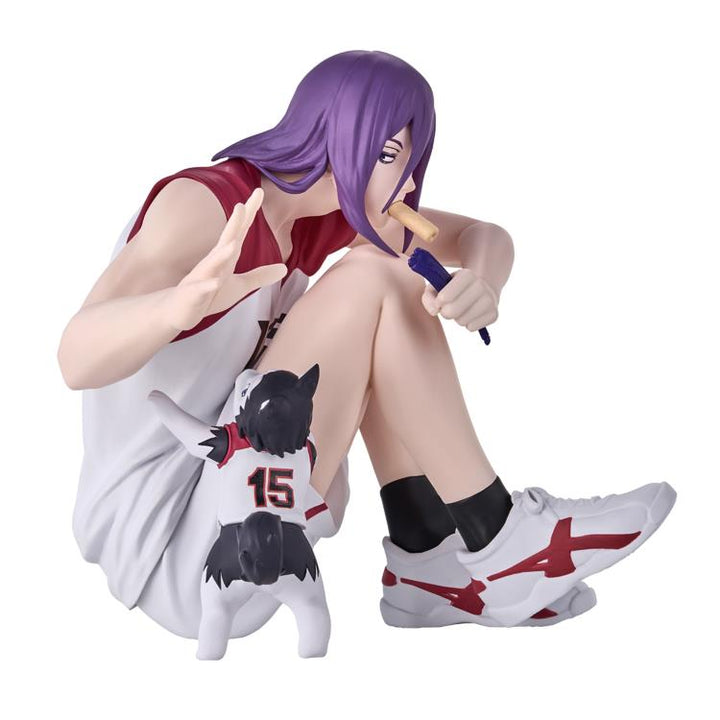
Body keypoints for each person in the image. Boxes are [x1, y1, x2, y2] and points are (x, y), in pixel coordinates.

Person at [58, 50, 675, 640]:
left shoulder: (330, 215)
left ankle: (427, 560)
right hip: (181, 550)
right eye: (386, 154)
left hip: (262, 514)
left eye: (410, 157)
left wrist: (484, 281)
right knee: (378, 275)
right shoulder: (205, 206)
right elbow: (74, 356)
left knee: (388, 275)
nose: (405, 180)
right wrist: (173, 309)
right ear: (335, 136)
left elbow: (482, 234)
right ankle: (500, 537)